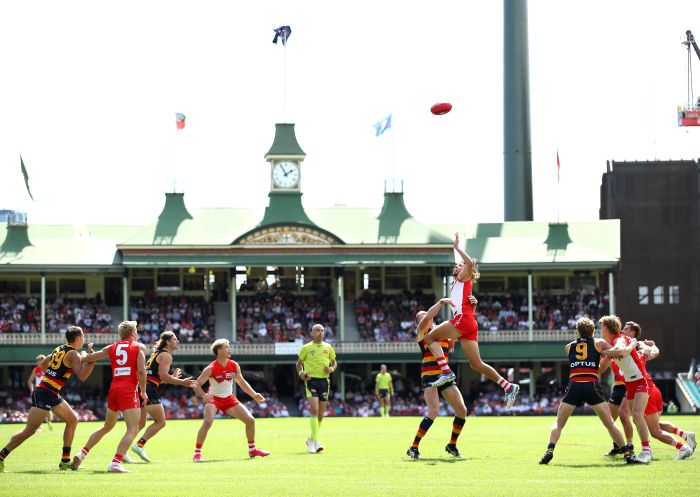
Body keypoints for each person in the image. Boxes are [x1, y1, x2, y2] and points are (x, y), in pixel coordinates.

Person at [423, 233, 519, 408]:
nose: (457, 266)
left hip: (464, 321)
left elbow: (470, 263)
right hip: (468, 323)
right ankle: (508, 386)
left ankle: (446, 372)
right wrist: (453, 336)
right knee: (476, 364)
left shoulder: (462, 278)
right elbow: (462, 307)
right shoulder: (459, 286)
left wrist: (457, 248)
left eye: (459, 265)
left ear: (464, 271)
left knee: (429, 338)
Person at [539, 318, 636, 465]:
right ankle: (627, 453)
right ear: (593, 331)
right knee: (609, 423)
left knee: (559, 423)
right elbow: (613, 352)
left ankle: (549, 450)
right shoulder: (599, 343)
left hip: (574, 385)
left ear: (577, 331)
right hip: (591, 384)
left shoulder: (569, 346)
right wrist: (603, 352)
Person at [0, 326, 94, 472]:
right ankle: (1, 456)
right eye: (83, 336)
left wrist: (51, 376)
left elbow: (45, 364)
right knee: (30, 430)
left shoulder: (59, 348)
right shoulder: (73, 354)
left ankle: (65, 461)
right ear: (78, 338)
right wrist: (91, 361)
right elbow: (82, 376)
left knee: (72, 420)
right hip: (44, 392)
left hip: (50, 392)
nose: (84, 339)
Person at [71, 321, 148, 473]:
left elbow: (86, 359)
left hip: (114, 390)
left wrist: (87, 353)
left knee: (107, 426)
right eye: (136, 331)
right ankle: (115, 463)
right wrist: (143, 391)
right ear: (132, 333)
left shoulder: (111, 347)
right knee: (133, 428)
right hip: (128, 390)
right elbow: (141, 371)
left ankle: (82, 454)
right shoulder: (139, 347)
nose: (137, 333)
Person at [407, 296, 471, 460]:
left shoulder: (442, 334)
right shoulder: (422, 333)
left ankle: (452, 445)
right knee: (434, 411)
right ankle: (413, 447)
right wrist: (442, 302)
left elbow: (457, 333)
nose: (426, 318)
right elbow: (428, 317)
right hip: (429, 375)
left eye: (426, 316)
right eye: (422, 318)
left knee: (462, 411)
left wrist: (469, 308)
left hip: (445, 374)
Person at [621, 321, 694, 459]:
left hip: (644, 388)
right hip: (646, 388)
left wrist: (649, 347)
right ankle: (684, 435)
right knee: (647, 423)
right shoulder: (624, 344)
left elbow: (652, 352)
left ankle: (683, 448)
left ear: (632, 333)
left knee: (653, 430)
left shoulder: (636, 345)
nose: (622, 331)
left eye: (625, 329)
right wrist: (653, 346)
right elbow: (655, 352)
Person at [191, 338, 269, 461]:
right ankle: (197, 453)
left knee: (250, 420)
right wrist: (204, 394)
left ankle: (252, 450)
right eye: (227, 347)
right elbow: (196, 384)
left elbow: (242, 382)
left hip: (229, 399)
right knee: (207, 422)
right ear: (219, 350)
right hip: (213, 399)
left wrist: (254, 395)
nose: (229, 349)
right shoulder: (210, 368)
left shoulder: (234, 365)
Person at [130, 330, 197, 462]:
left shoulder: (157, 353)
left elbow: (158, 378)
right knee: (161, 422)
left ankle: (124, 451)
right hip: (149, 389)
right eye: (175, 339)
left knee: (141, 423)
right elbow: (162, 376)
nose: (177, 341)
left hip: (142, 386)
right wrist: (182, 382)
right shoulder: (166, 356)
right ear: (167, 342)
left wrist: (172, 379)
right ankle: (139, 445)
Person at [600, 315, 652, 464]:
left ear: (606, 328)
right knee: (634, 418)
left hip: (642, 380)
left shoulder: (620, 339)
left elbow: (621, 351)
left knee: (636, 415)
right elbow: (601, 369)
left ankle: (646, 452)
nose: (600, 329)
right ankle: (643, 447)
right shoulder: (610, 344)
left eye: (602, 326)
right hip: (629, 384)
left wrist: (603, 352)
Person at [296, 323, 337, 453]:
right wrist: (301, 374)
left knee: (320, 415)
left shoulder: (328, 347)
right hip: (311, 381)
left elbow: (334, 362)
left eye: (322, 330)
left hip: (324, 382)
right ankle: (312, 443)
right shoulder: (306, 348)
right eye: (317, 330)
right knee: (314, 410)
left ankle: (312, 439)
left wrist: (330, 369)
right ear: (312, 333)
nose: (320, 332)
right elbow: (298, 364)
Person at [27, 354, 53, 431]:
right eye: (39, 362)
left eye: (42, 362)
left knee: (47, 409)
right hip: (38, 391)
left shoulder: (49, 369)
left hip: (48, 391)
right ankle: (39, 424)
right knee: (38, 409)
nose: (40, 364)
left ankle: (49, 422)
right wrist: (32, 391)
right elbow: (29, 382)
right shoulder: (36, 370)